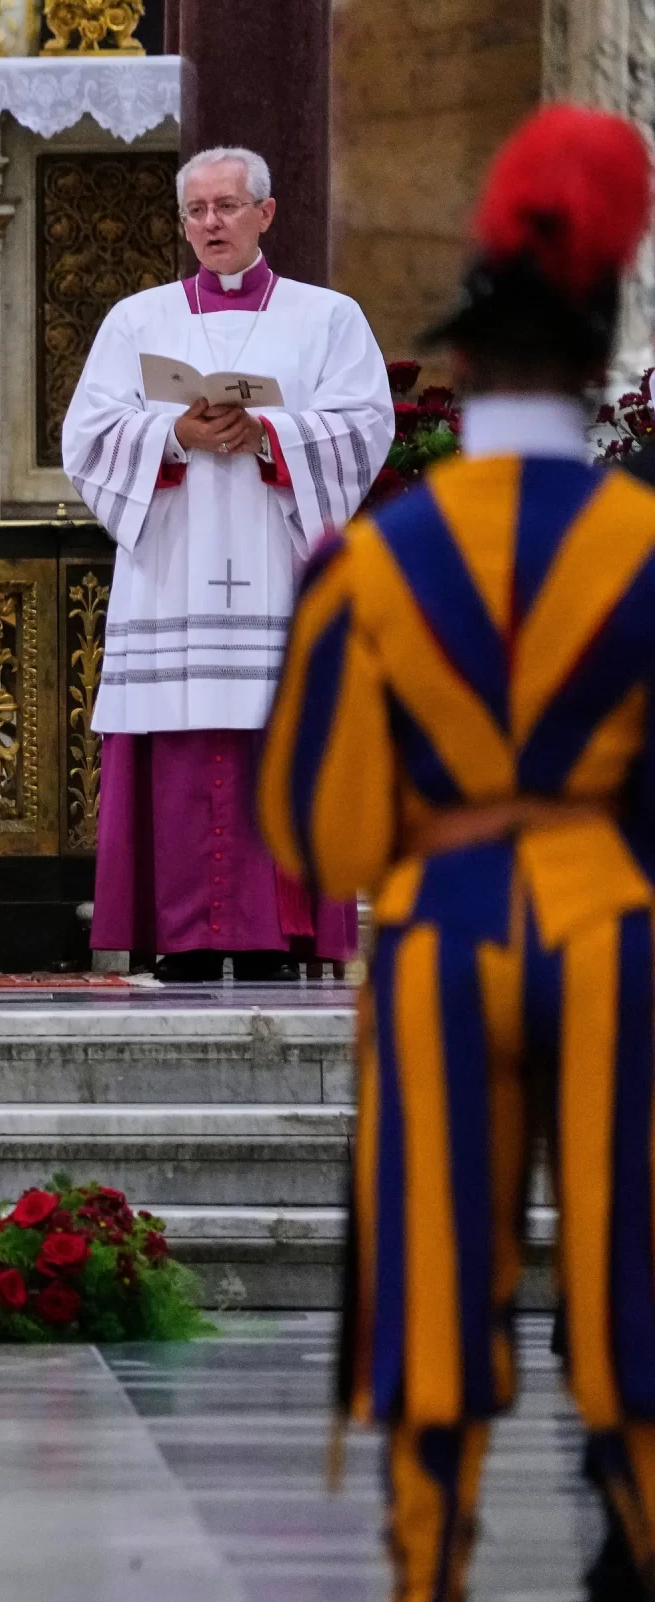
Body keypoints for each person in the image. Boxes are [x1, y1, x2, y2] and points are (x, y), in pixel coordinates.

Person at [259, 105, 655, 1602]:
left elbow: (322, 824)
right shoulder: (644, 544)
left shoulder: (375, 563)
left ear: (467, 357)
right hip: (615, 924)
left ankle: (432, 1563)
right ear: (606, 342)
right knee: (634, 1244)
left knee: (436, 1251)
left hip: (440, 925)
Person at [64, 145, 395, 982]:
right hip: (174, 562)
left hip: (275, 557)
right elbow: (89, 436)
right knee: (180, 753)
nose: (210, 224)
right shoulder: (139, 321)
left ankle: (278, 934)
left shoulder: (328, 318)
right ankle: (184, 932)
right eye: (196, 212)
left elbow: (364, 424)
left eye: (226, 207)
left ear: (266, 214)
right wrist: (173, 433)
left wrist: (272, 434)